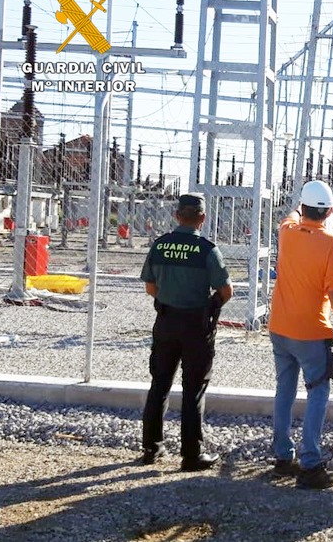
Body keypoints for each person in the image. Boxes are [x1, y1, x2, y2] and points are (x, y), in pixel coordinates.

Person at [139, 193, 233, 471]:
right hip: (196, 325)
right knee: (193, 389)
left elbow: (150, 287)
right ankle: (191, 454)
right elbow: (226, 291)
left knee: (160, 384)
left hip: (166, 321)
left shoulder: (160, 245)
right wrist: (209, 307)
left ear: (177, 215)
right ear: (202, 218)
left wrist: (168, 299)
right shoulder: (206, 249)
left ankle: (151, 448)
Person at [268, 180, 333, 489]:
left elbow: (289, 216)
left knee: (284, 389)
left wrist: (298, 208)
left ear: (302, 209)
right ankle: (311, 463)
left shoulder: (287, 233)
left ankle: (282, 456)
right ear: (330, 211)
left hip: (280, 328)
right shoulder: (331, 243)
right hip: (312, 331)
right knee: (318, 390)